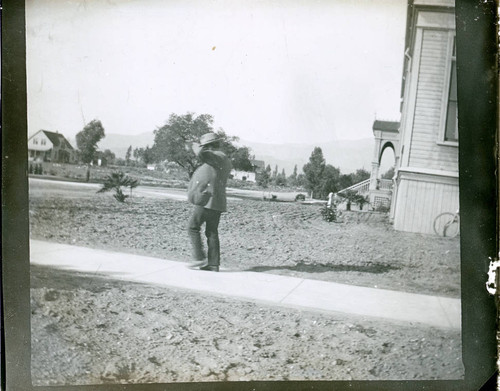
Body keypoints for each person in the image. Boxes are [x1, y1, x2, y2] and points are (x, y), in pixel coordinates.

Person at [187, 133, 232, 272]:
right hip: (216, 202)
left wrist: (193, 145)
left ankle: (199, 258)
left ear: (211, 146)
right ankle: (213, 264)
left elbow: (201, 153)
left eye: (206, 146)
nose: (205, 150)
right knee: (211, 232)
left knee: (193, 227)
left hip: (207, 200)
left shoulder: (218, 157)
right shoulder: (219, 160)